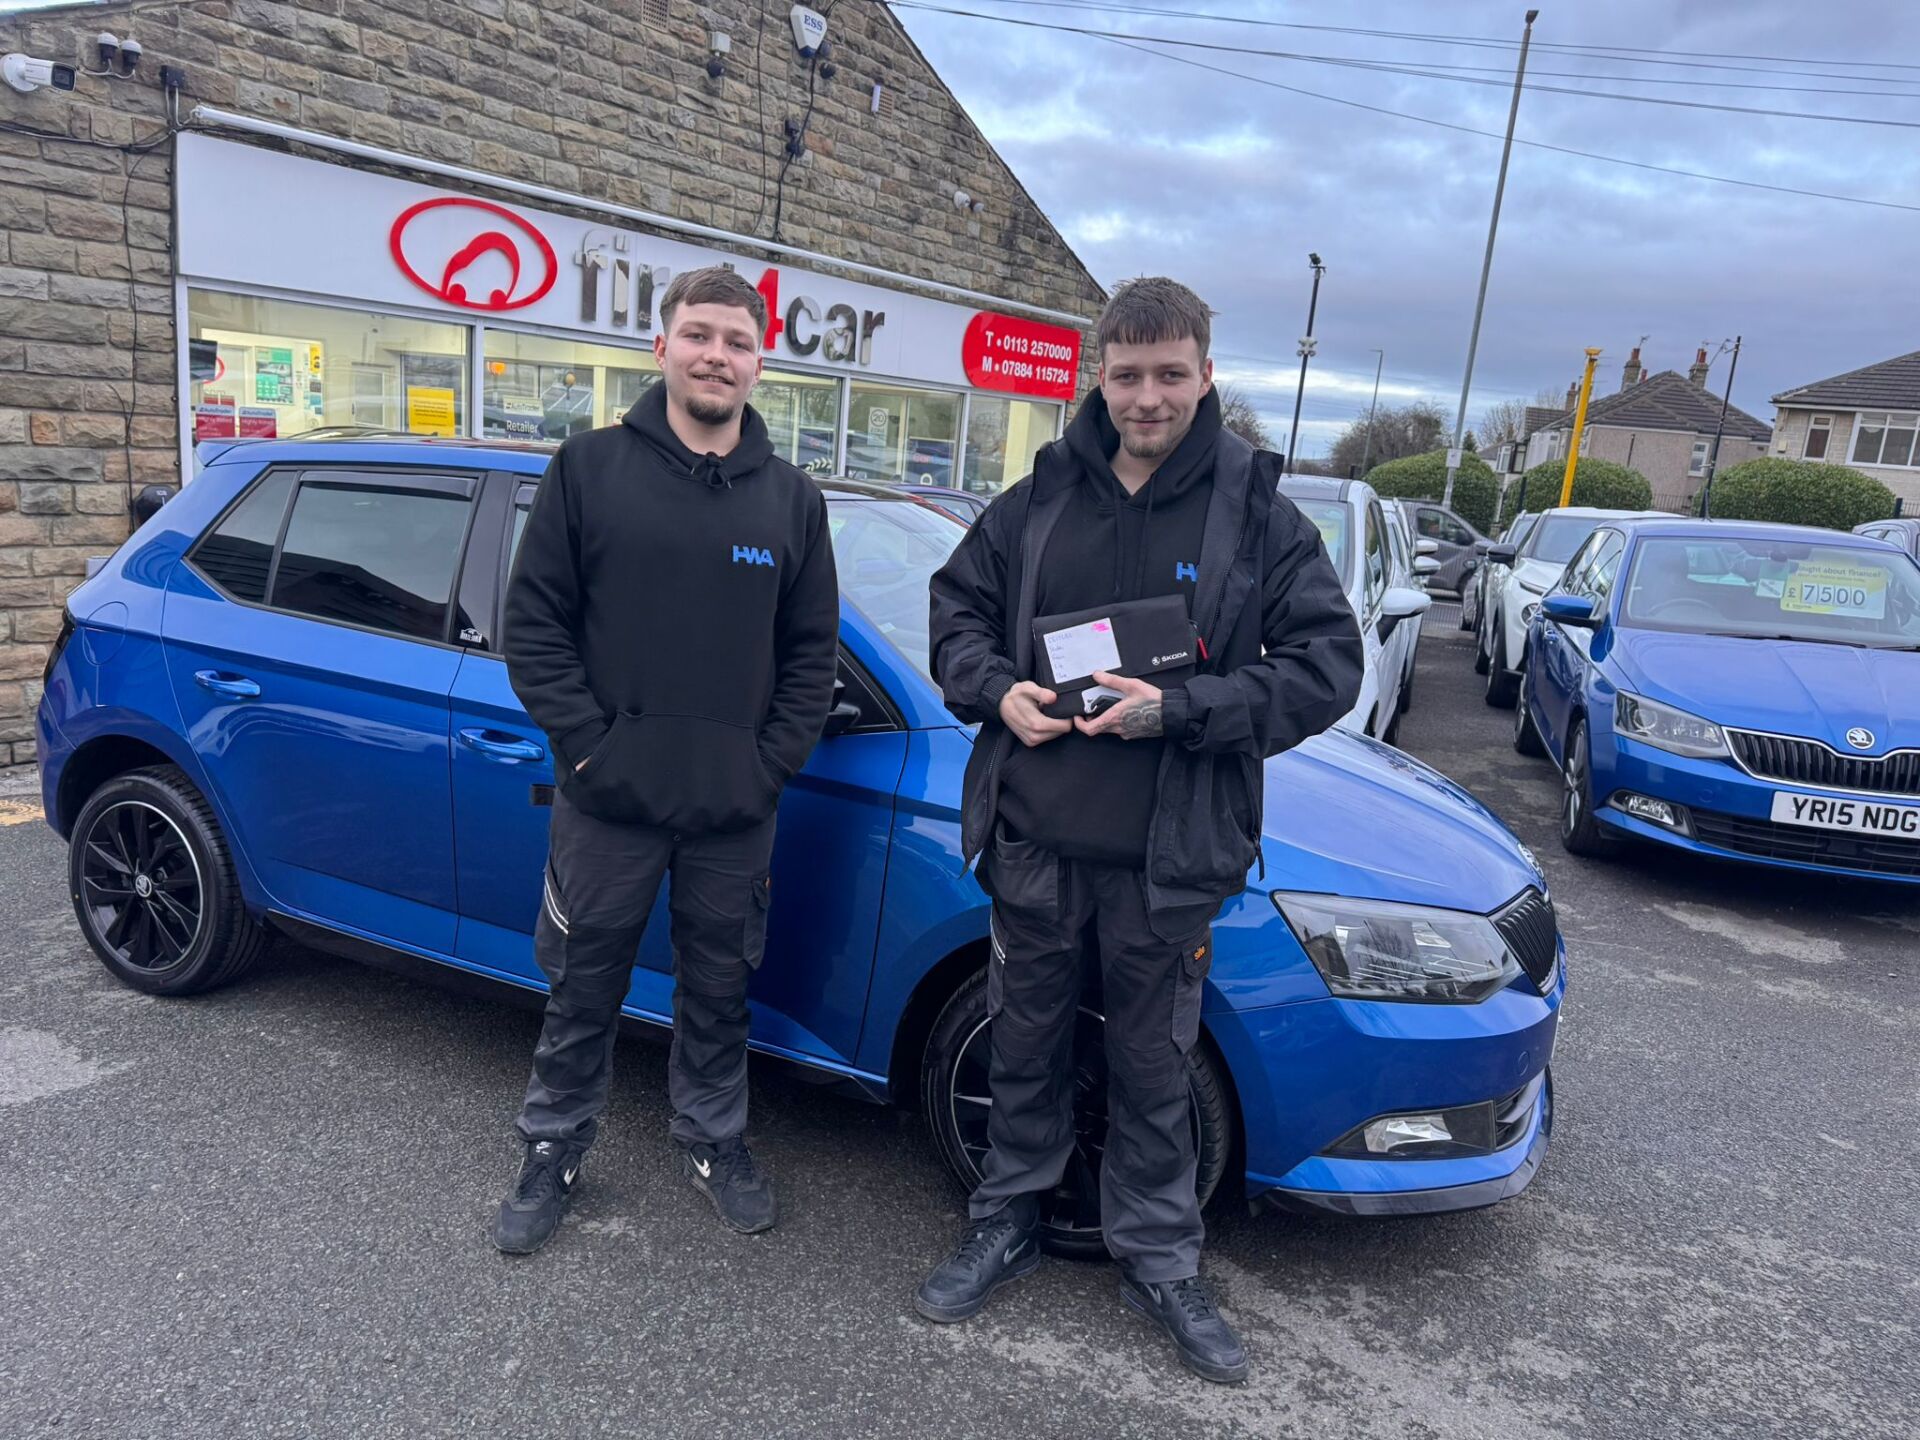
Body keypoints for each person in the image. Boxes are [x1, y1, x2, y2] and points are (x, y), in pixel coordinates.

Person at [920, 277, 1363, 1383]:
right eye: (1128, 376)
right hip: (1036, 838)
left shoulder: (1256, 511)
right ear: (1098, 377)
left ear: (1207, 374)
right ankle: (1006, 1220)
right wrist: (993, 690)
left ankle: (1161, 1258)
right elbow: (953, 611)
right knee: (1023, 1042)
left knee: (1154, 1066)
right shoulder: (1042, 495)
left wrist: (1186, 711)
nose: (1149, 397)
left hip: (1170, 858)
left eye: (1171, 374)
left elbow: (1326, 667)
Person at [494, 266, 839, 1254]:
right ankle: (553, 1146)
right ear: (662, 346)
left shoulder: (792, 502)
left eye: (736, 341)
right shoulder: (588, 470)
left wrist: (766, 768)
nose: (716, 356)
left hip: (736, 808)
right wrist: (593, 755)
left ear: (759, 360)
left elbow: (811, 657)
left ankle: (713, 1139)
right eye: (699, 335)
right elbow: (535, 629)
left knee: (721, 983)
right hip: (608, 800)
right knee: (583, 981)